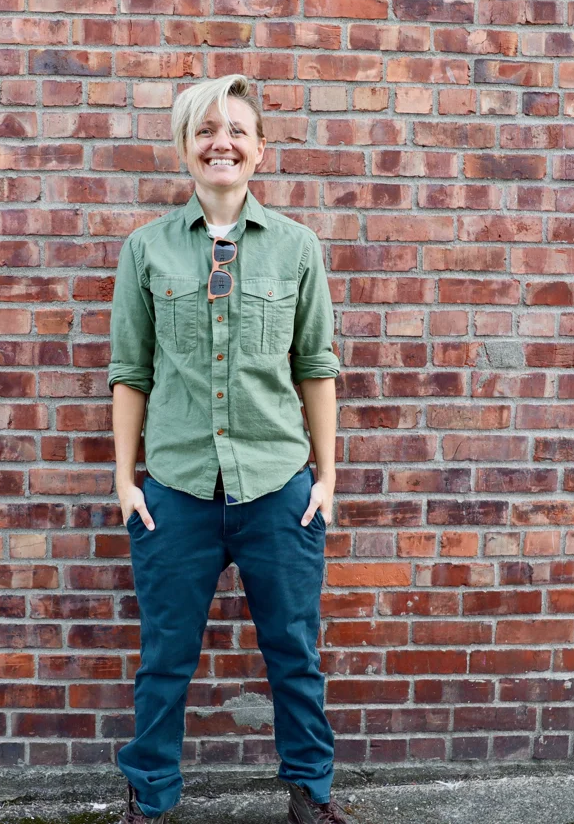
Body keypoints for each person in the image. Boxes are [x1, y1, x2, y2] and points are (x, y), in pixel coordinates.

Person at [106, 74, 354, 824]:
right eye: (206, 130)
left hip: (278, 487)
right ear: (186, 148)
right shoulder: (146, 250)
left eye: (237, 130)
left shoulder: (297, 247)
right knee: (164, 660)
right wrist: (126, 481)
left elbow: (316, 366)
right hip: (175, 491)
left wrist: (325, 478)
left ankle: (310, 795)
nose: (223, 142)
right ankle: (150, 799)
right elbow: (130, 371)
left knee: (294, 655)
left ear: (260, 150)